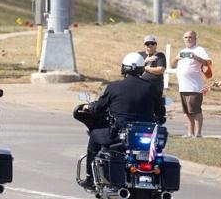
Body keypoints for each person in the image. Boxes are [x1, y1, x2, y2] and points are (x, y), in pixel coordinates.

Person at [78, 51, 166, 189]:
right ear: (141, 69)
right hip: (147, 135)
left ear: (124, 68)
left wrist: (89, 107)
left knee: (94, 135)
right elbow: (161, 113)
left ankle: (90, 178)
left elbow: (99, 107)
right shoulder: (151, 88)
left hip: (119, 133)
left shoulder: (114, 87)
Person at [172, 30, 213, 139]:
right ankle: (190, 133)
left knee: (196, 111)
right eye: (186, 37)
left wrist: (195, 57)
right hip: (183, 87)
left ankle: (198, 133)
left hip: (194, 87)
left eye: (190, 37)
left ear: (195, 38)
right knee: (187, 112)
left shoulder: (199, 50)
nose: (188, 39)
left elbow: (207, 63)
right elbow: (172, 65)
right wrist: (176, 58)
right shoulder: (182, 51)